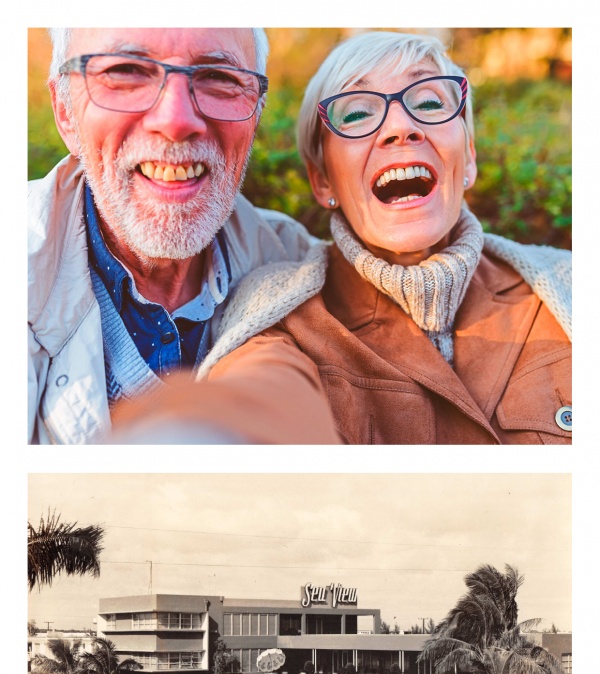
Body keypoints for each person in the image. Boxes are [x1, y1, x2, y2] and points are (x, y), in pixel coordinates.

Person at [197, 30, 571, 444]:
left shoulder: (569, 287)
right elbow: (258, 401)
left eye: (429, 103)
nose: (401, 127)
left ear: (469, 158)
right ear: (322, 181)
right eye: (356, 114)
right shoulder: (278, 317)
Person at [28, 27, 339, 444]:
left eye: (219, 78)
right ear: (65, 111)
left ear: (256, 113)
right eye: (126, 72)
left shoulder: (300, 266)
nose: (175, 121)